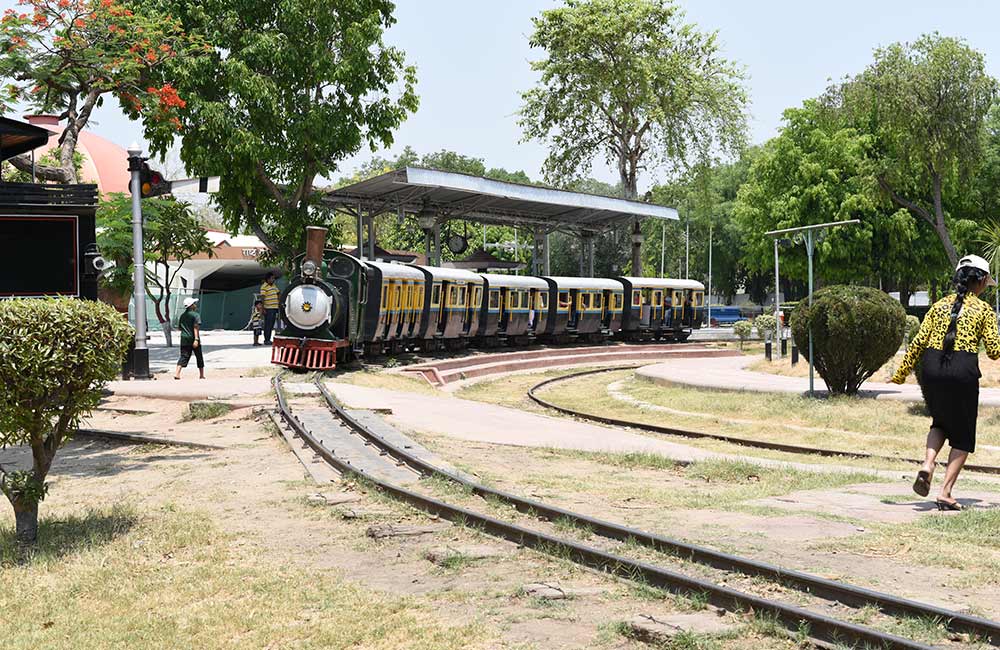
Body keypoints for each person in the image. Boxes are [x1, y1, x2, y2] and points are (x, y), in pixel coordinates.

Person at [891, 254, 1000, 510]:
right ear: (982, 280)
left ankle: (928, 465)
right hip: (962, 370)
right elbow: (995, 351)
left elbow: (918, 342)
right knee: (963, 436)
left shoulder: (938, 305)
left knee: (939, 422)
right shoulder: (983, 310)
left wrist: (901, 372)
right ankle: (946, 492)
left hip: (931, 367)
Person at [175, 297, 205, 380]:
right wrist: (196, 339)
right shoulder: (196, 315)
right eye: (194, 304)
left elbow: (179, 328)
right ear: (191, 306)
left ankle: (177, 373)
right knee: (199, 356)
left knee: (184, 356)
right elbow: (196, 327)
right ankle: (201, 375)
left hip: (184, 338)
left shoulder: (182, 316)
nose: (195, 305)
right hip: (193, 338)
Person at [260, 272, 280, 345]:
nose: (273, 280)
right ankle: (266, 339)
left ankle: (269, 339)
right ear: (268, 279)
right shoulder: (264, 287)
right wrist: (263, 308)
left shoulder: (274, 286)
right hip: (268, 308)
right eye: (272, 278)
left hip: (274, 308)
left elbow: (278, 292)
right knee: (268, 324)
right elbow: (262, 297)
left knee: (271, 324)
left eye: (274, 278)